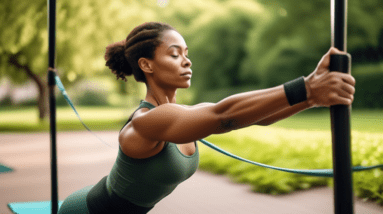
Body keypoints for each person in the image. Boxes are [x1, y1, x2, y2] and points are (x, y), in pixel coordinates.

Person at [58, 21, 355, 214]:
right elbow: (224, 115)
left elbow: (254, 117)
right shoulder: (145, 122)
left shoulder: (184, 114)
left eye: (186, 53)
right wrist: (304, 86)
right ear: (146, 64)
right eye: (175, 54)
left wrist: (311, 98)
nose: (187, 61)